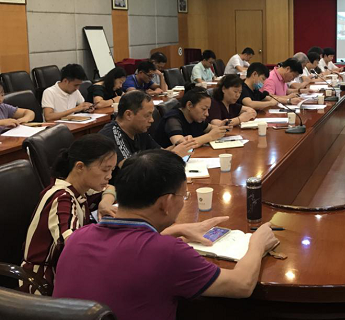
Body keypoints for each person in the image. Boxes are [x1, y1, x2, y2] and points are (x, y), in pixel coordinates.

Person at [53, 150, 279, 320]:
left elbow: (124, 251)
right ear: (167, 202)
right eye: (183, 195)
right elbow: (241, 285)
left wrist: (174, 230)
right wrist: (257, 243)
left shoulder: (79, 237)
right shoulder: (167, 252)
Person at [20, 134, 118, 294]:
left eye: (112, 170)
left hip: (65, 271)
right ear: (80, 167)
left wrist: (105, 202)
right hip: (42, 282)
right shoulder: (62, 198)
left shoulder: (81, 188)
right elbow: (75, 246)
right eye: (105, 170)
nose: (109, 176)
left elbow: (110, 188)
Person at [98, 91, 194, 170]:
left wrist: (179, 145)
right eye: (147, 115)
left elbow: (160, 153)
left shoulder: (138, 129)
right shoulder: (112, 135)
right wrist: (174, 155)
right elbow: (130, 170)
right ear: (128, 115)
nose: (152, 120)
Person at [154, 86, 228, 148]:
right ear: (189, 105)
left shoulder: (196, 117)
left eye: (208, 109)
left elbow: (210, 128)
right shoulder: (172, 119)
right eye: (204, 109)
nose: (207, 114)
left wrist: (223, 128)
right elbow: (181, 146)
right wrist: (210, 136)